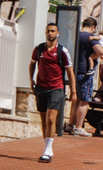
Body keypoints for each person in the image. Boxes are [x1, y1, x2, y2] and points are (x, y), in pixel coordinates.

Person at [29, 23, 77, 162]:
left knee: (51, 119)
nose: (50, 33)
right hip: (41, 87)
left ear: (58, 33)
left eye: (52, 31)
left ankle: (48, 150)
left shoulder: (62, 51)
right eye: (48, 31)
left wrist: (73, 91)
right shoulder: (39, 49)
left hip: (56, 88)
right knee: (44, 120)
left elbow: (70, 71)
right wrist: (31, 80)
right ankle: (46, 147)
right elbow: (32, 64)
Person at [66, 17, 103, 137]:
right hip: (85, 72)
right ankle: (79, 127)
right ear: (93, 27)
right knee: (84, 101)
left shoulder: (76, 36)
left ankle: (70, 125)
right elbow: (100, 51)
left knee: (76, 99)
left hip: (75, 70)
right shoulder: (90, 38)